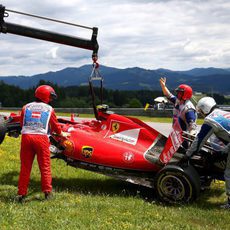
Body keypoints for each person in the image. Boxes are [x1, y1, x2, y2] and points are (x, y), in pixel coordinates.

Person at [17, 85, 69, 202]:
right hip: (41, 139)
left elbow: (22, 124)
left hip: (26, 137)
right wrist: (61, 134)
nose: (50, 99)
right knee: (44, 166)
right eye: (50, 97)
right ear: (46, 96)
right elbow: (55, 126)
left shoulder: (26, 107)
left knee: (25, 167)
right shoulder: (49, 109)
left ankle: (21, 194)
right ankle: (47, 193)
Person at [181, 97, 230, 209]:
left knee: (228, 172)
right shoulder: (224, 113)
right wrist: (222, 152)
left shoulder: (211, 120)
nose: (202, 114)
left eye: (201, 112)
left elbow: (199, 141)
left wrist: (187, 155)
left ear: (205, 109)